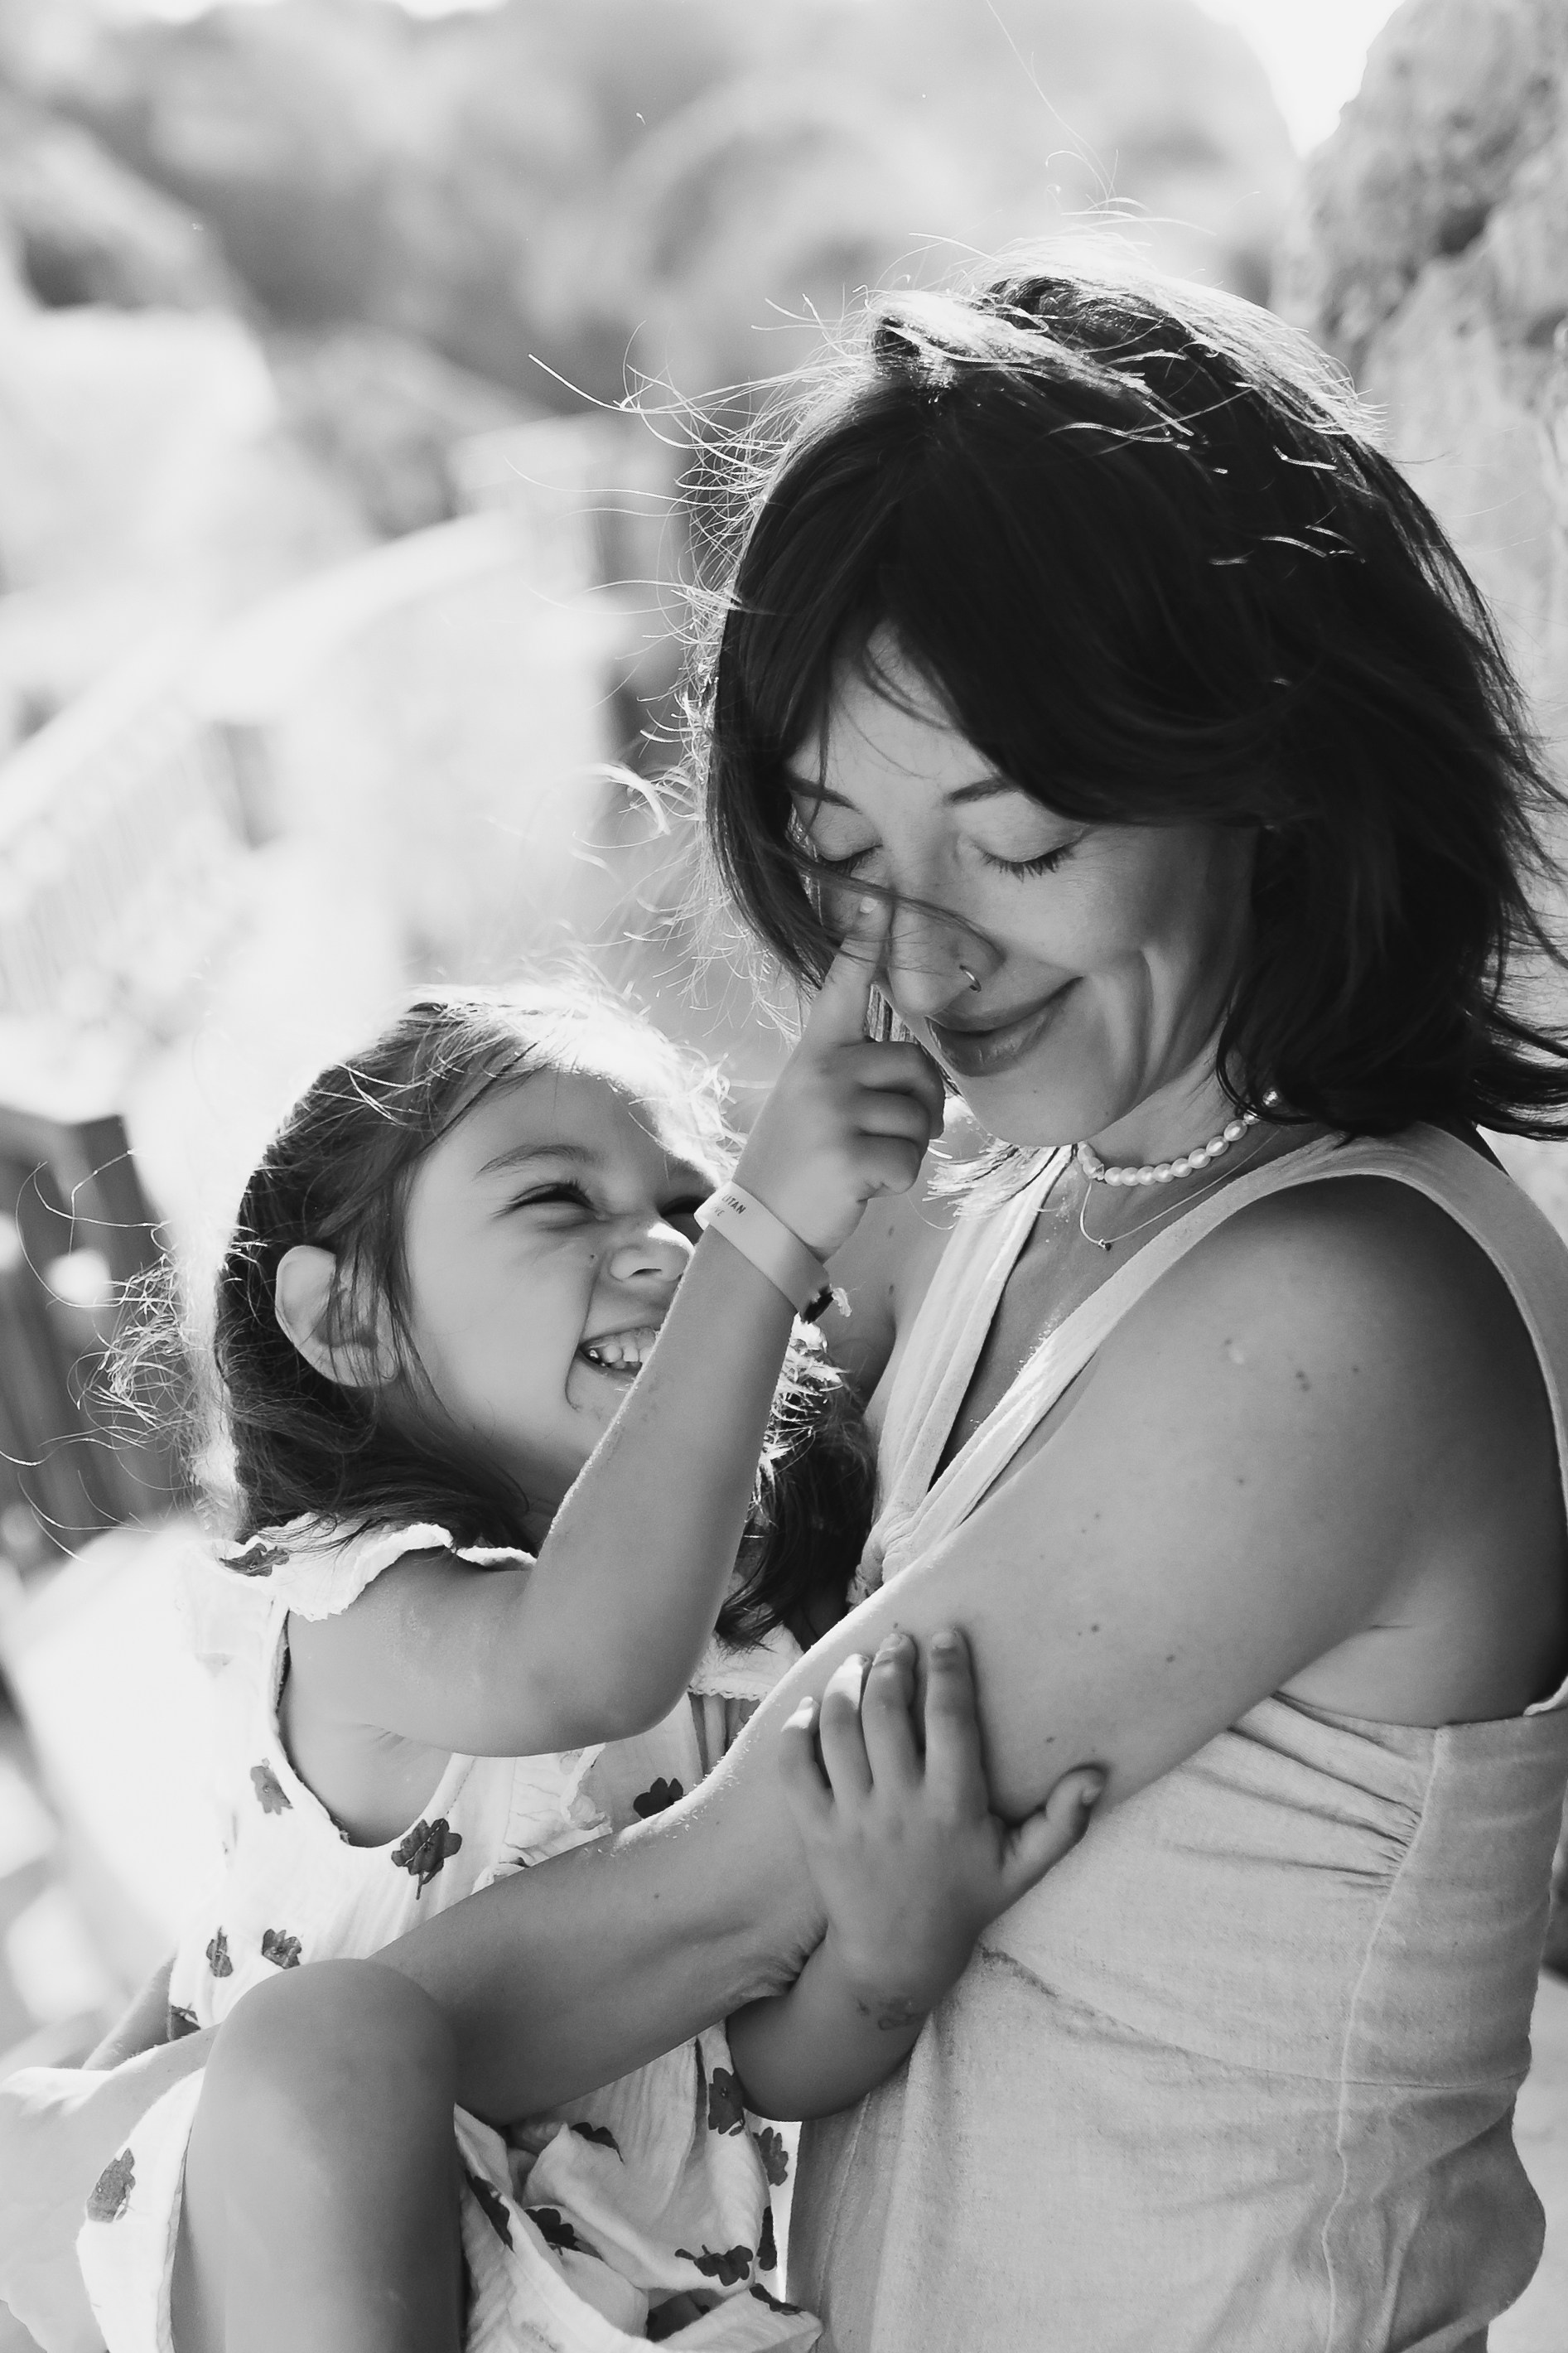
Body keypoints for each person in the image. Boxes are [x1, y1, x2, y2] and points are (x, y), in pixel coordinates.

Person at [9, 254, 1568, 2351]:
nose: (920, 954)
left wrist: (87, 2160)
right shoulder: (1032, 1207)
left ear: (1261, 765)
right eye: (843, 852)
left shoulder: (1335, 1316)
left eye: (1012, 846)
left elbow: (701, 1907)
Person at [34, 981, 1096, 2353]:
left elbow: (743, 2069)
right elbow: (580, 1662)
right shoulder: (352, 1600)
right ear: (345, 1321)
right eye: (557, 1201)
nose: (666, 1248)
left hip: (587, 2308)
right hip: (280, 2262)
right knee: (329, 2045)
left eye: (689, 1203)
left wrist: (888, 1959)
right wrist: (761, 1236)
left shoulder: (730, 1663)